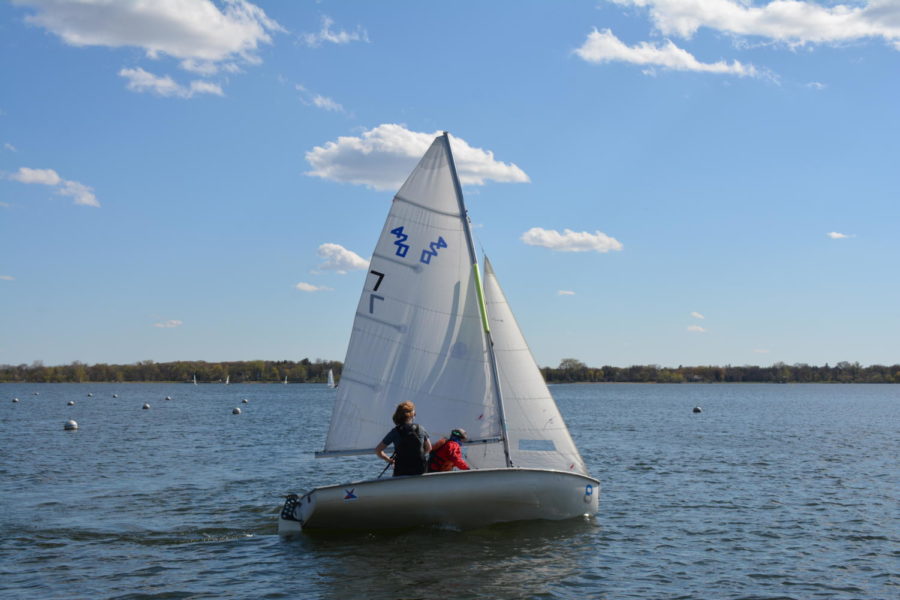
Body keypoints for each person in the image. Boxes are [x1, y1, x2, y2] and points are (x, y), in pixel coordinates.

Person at [375, 401, 431, 476]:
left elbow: (378, 450)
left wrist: (389, 460)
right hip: (420, 470)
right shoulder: (421, 429)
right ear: (412, 415)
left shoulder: (395, 431)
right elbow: (429, 448)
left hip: (401, 470)